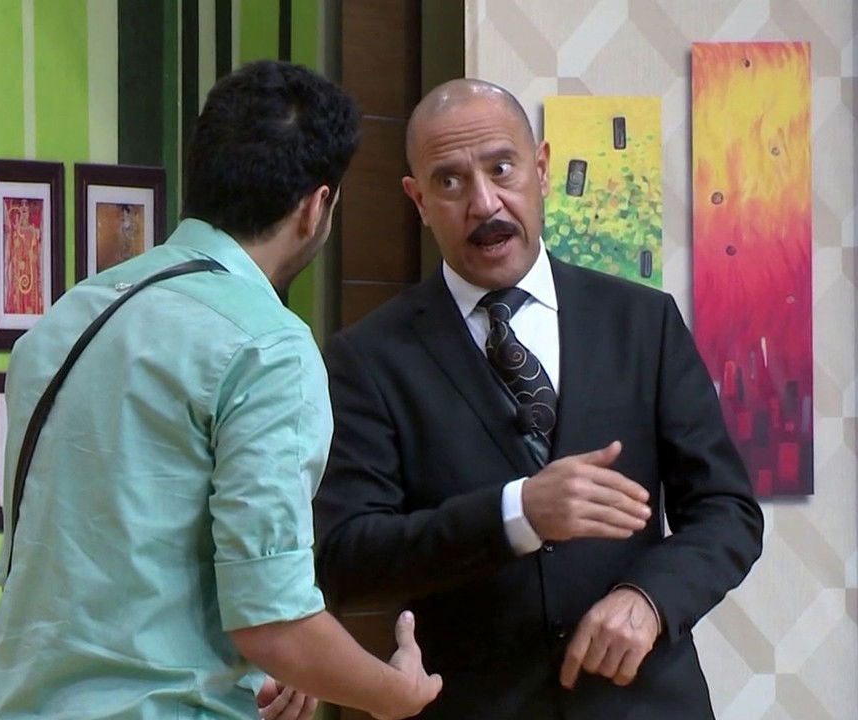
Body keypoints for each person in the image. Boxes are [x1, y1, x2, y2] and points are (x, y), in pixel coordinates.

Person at [0, 60, 441, 720]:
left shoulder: (68, 317)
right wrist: (396, 692)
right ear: (316, 207)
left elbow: (81, 567)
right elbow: (273, 622)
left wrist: (262, 665)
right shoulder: (267, 346)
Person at [314, 78, 764, 719]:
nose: (484, 203)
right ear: (418, 200)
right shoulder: (368, 358)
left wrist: (650, 601)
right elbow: (348, 558)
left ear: (543, 168)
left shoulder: (644, 322)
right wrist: (515, 512)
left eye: (502, 169)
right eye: (450, 181)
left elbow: (726, 509)